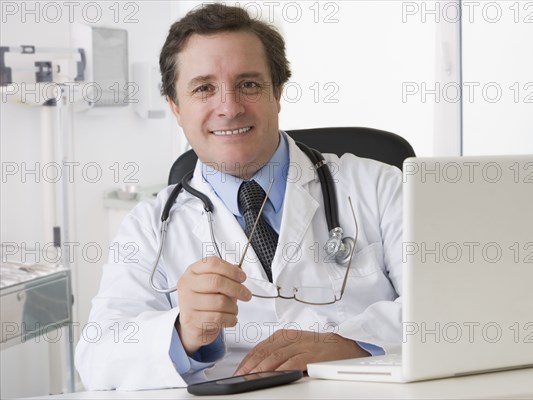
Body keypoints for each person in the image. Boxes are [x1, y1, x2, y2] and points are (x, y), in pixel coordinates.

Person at [75, 3, 403, 390]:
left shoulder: (380, 187)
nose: (229, 108)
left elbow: (457, 312)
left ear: (277, 93)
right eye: (203, 88)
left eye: (248, 84)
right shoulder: (149, 227)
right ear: (175, 108)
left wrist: (348, 343)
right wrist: (183, 332)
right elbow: (97, 361)